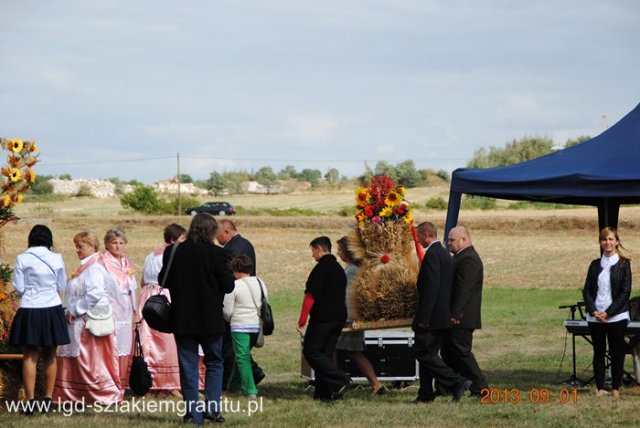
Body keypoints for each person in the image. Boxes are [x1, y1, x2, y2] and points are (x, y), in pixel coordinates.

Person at [159, 213, 235, 424]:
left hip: (183, 318)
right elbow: (229, 285)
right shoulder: (218, 254)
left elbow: (162, 280)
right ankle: (213, 409)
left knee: (188, 366)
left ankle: (193, 414)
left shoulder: (173, 251)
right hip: (210, 318)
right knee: (215, 363)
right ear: (211, 231)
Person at [53, 231, 123, 404]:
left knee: (89, 360)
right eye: (76, 246)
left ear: (92, 246)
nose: (77, 250)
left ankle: (99, 393)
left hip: (87, 320)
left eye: (80, 246)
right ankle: (75, 393)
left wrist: (75, 310)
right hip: (78, 320)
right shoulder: (86, 266)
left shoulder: (94, 268)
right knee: (78, 359)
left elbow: (95, 293)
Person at [9, 225, 70, 414]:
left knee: (30, 356)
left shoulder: (22, 258)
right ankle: (48, 398)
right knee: (50, 356)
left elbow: (18, 287)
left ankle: (29, 401)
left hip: (29, 308)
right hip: (51, 307)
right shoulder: (56, 258)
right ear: (49, 239)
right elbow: (62, 284)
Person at [412, 222, 471, 403]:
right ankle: (425, 394)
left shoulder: (432, 255)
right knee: (428, 354)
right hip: (442, 316)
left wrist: (424, 318)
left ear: (427, 235)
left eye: (419, 236)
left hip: (431, 318)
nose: (417, 240)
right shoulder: (445, 255)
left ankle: (456, 381)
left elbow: (431, 289)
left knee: (423, 354)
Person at [297, 236, 351, 401]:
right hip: (339, 317)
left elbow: (310, 296)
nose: (313, 255)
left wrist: (302, 320)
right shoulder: (338, 268)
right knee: (325, 354)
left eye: (313, 250)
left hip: (323, 318)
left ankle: (340, 379)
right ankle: (324, 393)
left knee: (311, 351)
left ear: (319, 249)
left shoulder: (321, 268)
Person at [135, 223, 186, 395]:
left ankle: (150, 382)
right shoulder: (172, 255)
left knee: (148, 341)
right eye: (181, 239)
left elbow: (143, 281)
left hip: (147, 297)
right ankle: (169, 383)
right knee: (167, 342)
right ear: (173, 240)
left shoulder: (151, 255)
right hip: (164, 296)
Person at [582, 227, 632, 398]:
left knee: (617, 352)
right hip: (596, 317)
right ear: (600, 242)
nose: (607, 243)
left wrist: (609, 313)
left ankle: (616, 388)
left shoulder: (624, 264)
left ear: (617, 241)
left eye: (611, 239)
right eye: (604, 239)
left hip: (617, 316)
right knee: (598, 352)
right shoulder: (595, 265)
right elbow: (587, 290)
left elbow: (626, 292)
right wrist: (594, 310)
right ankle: (600, 388)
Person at [216, 219, 264, 387]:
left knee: (230, 347)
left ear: (227, 232)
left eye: (218, 235)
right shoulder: (246, 244)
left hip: (236, 303)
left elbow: (228, 278)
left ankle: (234, 381)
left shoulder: (230, 249)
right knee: (238, 347)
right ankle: (252, 372)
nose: (217, 239)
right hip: (249, 300)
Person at [334, 236, 385, 395]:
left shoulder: (351, 271)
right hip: (351, 318)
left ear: (347, 252)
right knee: (350, 352)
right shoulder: (353, 268)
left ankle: (336, 384)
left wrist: (346, 320)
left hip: (349, 319)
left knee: (341, 350)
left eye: (340, 250)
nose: (338, 253)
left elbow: (349, 298)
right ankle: (374, 385)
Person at [442, 226, 488, 396]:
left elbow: (464, 289)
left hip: (462, 317)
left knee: (461, 353)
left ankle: (480, 387)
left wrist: (455, 314)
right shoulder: (462, 257)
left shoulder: (469, 259)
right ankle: (447, 386)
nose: (448, 243)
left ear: (464, 240)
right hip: (457, 315)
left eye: (452, 240)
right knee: (448, 352)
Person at [222, 255, 267, 400]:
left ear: (235, 270)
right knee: (241, 356)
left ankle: (250, 390)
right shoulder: (260, 282)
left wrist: (231, 319)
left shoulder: (234, 285)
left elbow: (227, 311)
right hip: (256, 326)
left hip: (240, 326)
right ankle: (233, 386)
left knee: (242, 358)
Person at [100, 229, 137, 389]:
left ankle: (122, 380)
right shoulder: (102, 262)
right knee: (111, 344)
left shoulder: (126, 262)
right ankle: (109, 381)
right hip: (111, 306)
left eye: (121, 243)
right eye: (114, 243)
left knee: (124, 345)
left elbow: (132, 288)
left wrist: (136, 311)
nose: (118, 246)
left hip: (126, 309)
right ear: (107, 244)